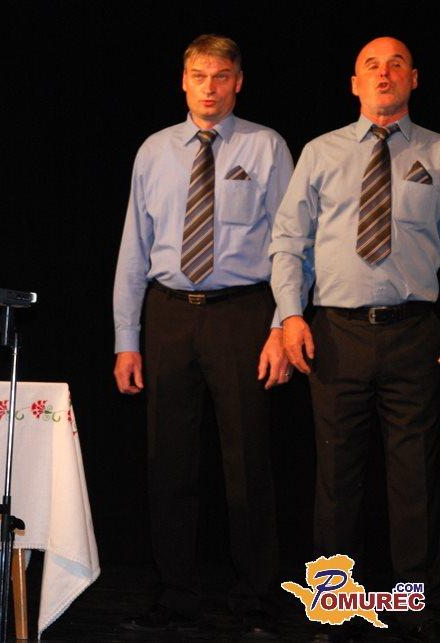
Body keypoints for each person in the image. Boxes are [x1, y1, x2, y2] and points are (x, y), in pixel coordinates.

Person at [113, 34, 293, 636]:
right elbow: (134, 249)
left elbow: (290, 244)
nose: (209, 88)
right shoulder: (154, 150)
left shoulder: (266, 146)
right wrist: (127, 338)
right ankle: (175, 596)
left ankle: (255, 598)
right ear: (183, 81)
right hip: (168, 314)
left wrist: (281, 325)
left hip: (242, 313)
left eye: (220, 76)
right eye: (198, 76)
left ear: (238, 81)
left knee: (248, 461)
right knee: (169, 463)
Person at [270, 36, 440, 639]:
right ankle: (334, 606)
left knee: (415, 477)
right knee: (337, 476)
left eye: (396, 64)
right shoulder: (321, 152)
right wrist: (290, 316)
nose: (383, 73)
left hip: (414, 331)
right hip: (335, 333)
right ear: (354, 82)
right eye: (371, 65)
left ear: (414, 78)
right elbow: (289, 241)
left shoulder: (437, 152)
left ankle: (415, 607)